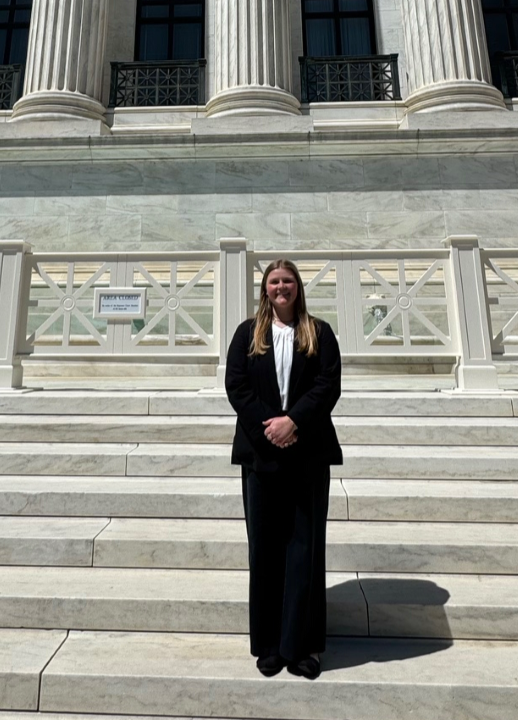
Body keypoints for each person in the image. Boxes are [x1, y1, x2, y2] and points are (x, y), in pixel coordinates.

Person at [225, 258, 343, 680]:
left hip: (307, 453)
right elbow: (236, 386)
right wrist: (271, 429)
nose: (281, 288)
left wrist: (294, 422)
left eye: (288, 281)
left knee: (304, 550)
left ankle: (303, 646)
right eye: (275, 282)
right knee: (265, 549)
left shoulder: (318, 332)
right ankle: (270, 644)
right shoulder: (247, 334)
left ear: (298, 288)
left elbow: (328, 384)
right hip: (261, 456)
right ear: (265, 289)